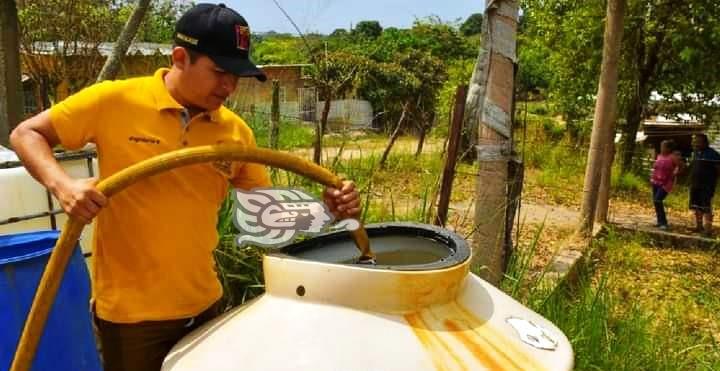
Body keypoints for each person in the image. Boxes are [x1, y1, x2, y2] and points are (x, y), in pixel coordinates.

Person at [9, 4, 360, 371]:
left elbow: (268, 214)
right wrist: (63, 186)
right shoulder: (114, 100)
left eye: (236, 75)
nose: (228, 86)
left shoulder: (235, 133)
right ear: (180, 57)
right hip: (132, 318)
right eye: (219, 72)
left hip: (205, 306)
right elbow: (26, 134)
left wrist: (327, 211)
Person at [688, 133, 720, 234]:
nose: (696, 144)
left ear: (705, 142)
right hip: (695, 184)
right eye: (695, 142)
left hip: (707, 185)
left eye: (698, 142)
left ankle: (708, 229)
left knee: (706, 207)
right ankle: (699, 226)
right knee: (696, 206)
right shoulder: (696, 153)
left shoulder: (713, 154)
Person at [650, 139, 683, 230]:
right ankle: (659, 221)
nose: (661, 148)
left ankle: (664, 223)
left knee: (658, 200)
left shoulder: (673, 157)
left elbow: (681, 166)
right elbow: (655, 167)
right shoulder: (659, 156)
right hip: (656, 182)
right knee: (656, 202)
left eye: (663, 147)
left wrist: (675, 173)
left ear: (668, 148)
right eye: (661, 147)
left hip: (666, 183)